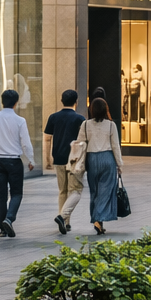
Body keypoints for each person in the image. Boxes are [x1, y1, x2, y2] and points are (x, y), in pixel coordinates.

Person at [0, 88, 35, 237]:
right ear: (16, 103)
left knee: (0, 195)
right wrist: (31, 159)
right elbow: (26, 143)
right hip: (14, 161)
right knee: (16, 193)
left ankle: (2, 229)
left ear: (1, 102)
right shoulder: (20, 121)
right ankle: (9, 219)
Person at [42, 89, 85, 235]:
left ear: (61, 101)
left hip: (58, 157)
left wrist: (47, 159)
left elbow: (47, 139)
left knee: (62, 191)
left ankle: (65, 220)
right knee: (74, 190)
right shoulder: (80, 119)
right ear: (76, 102)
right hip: (74, 159)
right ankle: (65, 219)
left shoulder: (53, 117)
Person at [82, 97, 123, 236]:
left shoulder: (85, 125)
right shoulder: (111, 125)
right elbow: (115, 146)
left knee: (94, 191)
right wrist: (119, 164)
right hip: (107, 158)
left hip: (91, 159)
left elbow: (80, 144)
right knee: (105, 191)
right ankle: (98, 219)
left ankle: (97, 219)